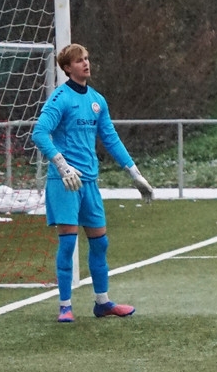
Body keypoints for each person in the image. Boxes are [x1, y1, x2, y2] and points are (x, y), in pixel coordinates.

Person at [32, 43, 154, 323]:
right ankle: (65, 306)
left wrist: (135, 173)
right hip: (65, 182)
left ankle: (103, 303)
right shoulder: (60, 98)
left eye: (87, 58)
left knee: (100, 243)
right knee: (68, 244)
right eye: (79, 60)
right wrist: (62, 165)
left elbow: (110, 138)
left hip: (89, 182)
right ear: (67, 68)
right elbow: (39, 133)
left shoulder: (98, 100)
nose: (85, 63)